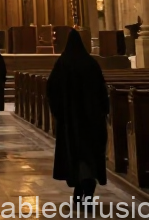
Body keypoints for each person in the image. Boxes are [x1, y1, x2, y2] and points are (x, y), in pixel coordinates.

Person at [46, 29, 108, 207]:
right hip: (92, 119)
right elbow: (102, 89)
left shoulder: (62, 63)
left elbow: (51, 89)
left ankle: (82, 187)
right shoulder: (91, 63)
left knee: (75, 154)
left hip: (71, 120)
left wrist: (59, 113)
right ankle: (85, 188)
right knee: (89, 153)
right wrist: (103, 111)